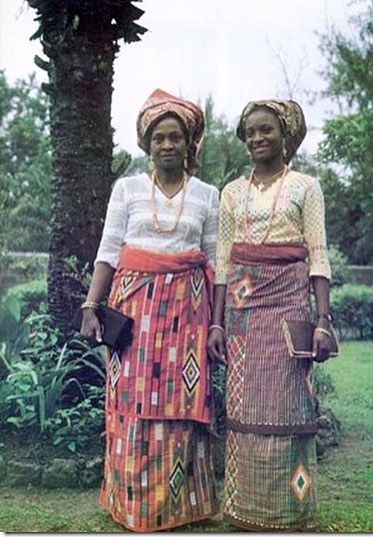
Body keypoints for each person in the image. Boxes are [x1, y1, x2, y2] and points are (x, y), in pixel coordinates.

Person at [80, 89, 219, 532]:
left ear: (188, 143)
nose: (166, 145)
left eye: (175, 136)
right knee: (131, 401)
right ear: (147, 143)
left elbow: (216, 263)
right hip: (132, 312)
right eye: (158, 137)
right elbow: (108, 251)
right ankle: (131, 502)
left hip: (187, 312)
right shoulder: (128, 189)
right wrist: (91, 305)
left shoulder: (207, 195)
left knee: (177, 405)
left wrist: (216, 322)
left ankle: (178, 505)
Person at [207, 99, 333, 531]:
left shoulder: (305, 187)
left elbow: (317, 255)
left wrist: (323, 320)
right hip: (242, 307)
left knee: (287, 403)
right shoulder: (231, 193)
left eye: (267, 130)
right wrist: (218, 322)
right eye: (251, 132)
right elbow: (223, 262)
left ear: (285, 135)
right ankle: (244, 510)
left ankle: (289, 510)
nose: (258, 138)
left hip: (289, 303)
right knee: (243, 404)